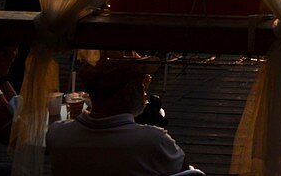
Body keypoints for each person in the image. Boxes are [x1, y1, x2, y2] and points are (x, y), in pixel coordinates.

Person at [46, 51, 186, 176]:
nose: (145, 90)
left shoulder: (57, 134)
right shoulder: (154, 141)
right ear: (128, 92)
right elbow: (185, 169)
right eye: (142, 83)